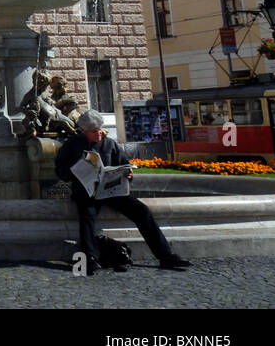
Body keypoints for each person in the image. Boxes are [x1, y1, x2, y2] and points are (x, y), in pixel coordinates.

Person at [55, 110, 192, 274]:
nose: (99, 133)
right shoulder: (71, 145)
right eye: (94, 131)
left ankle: (166, 257)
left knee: (142, 211)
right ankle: (90, 259)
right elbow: (60, 171)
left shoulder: (109, 144)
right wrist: (76, 170)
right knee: (87, 216)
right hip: (87, 192)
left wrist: (128, 174)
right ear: (84, 132)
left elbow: (124, 165)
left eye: (100, 129)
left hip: (111, 192)